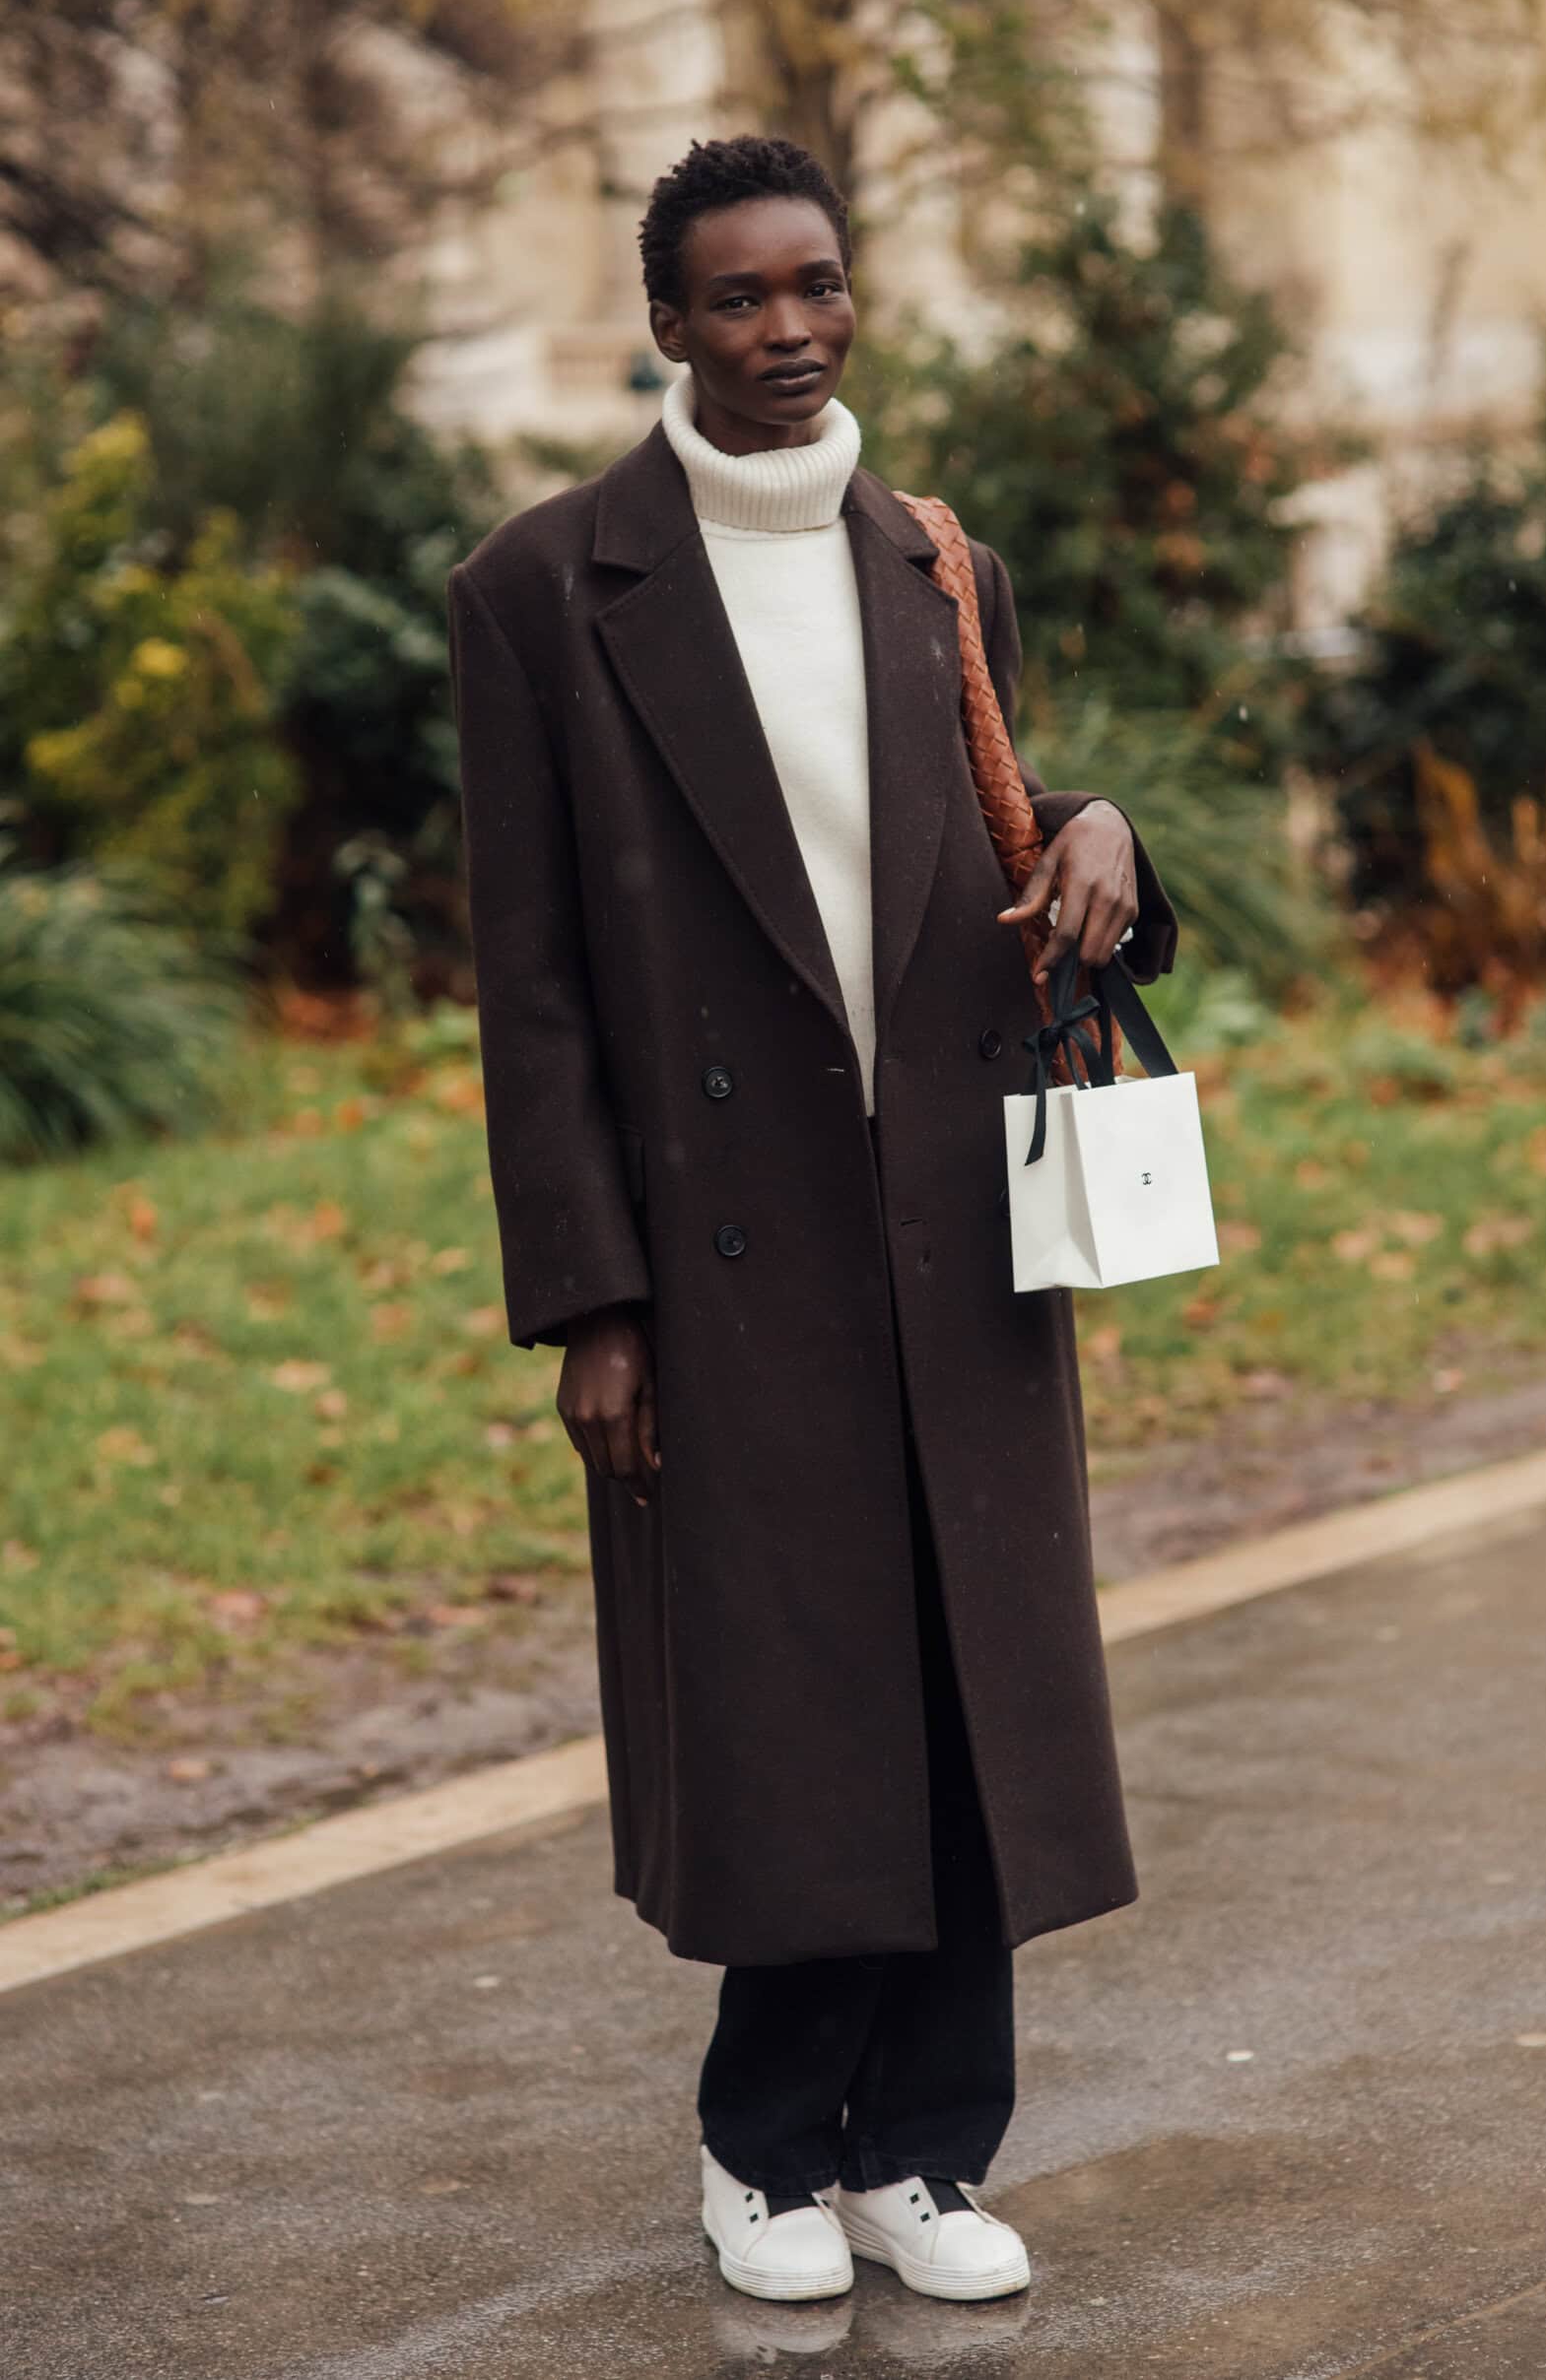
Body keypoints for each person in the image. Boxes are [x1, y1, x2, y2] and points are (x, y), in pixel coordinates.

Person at [446, 133, 1177, 2306]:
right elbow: (534, 975)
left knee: (965, 1682)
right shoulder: (542, 590)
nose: (788, 332)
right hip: (723, 1243)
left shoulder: (940, 561)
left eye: (819, 288)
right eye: (739, 297)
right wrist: (595, 1293)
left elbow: (977, 843)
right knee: (787, 1697)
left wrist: (1106, 823)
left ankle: (925, 2148)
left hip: (951, 1225)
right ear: (664, 322)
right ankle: (765, 2144)